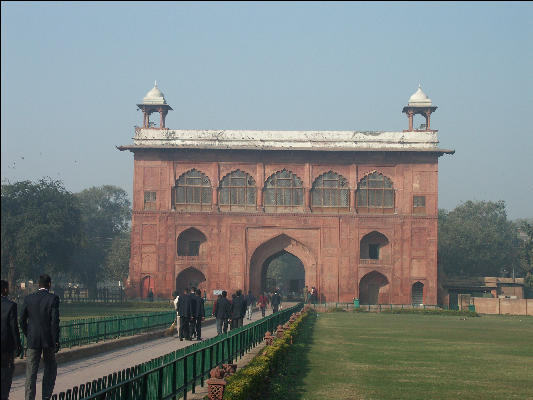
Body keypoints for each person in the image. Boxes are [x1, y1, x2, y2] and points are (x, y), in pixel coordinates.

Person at [20, 274, 60, 400]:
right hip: (48, 339)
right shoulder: (53, 298)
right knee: (50, 368)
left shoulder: (29, 299)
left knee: (31, 372)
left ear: (38, 285)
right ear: (49, 284)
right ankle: (46, 396)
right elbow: (54, 321)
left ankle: (29, 397)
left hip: (33, 339)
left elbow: (21, 320)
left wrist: (28, 333)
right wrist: (55, 340)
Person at [1, 280, 22, 400]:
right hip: (6, 347)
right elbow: (14, 327)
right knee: (6, 376)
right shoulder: (10, 305)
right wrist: (18, 345)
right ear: (4, 290)